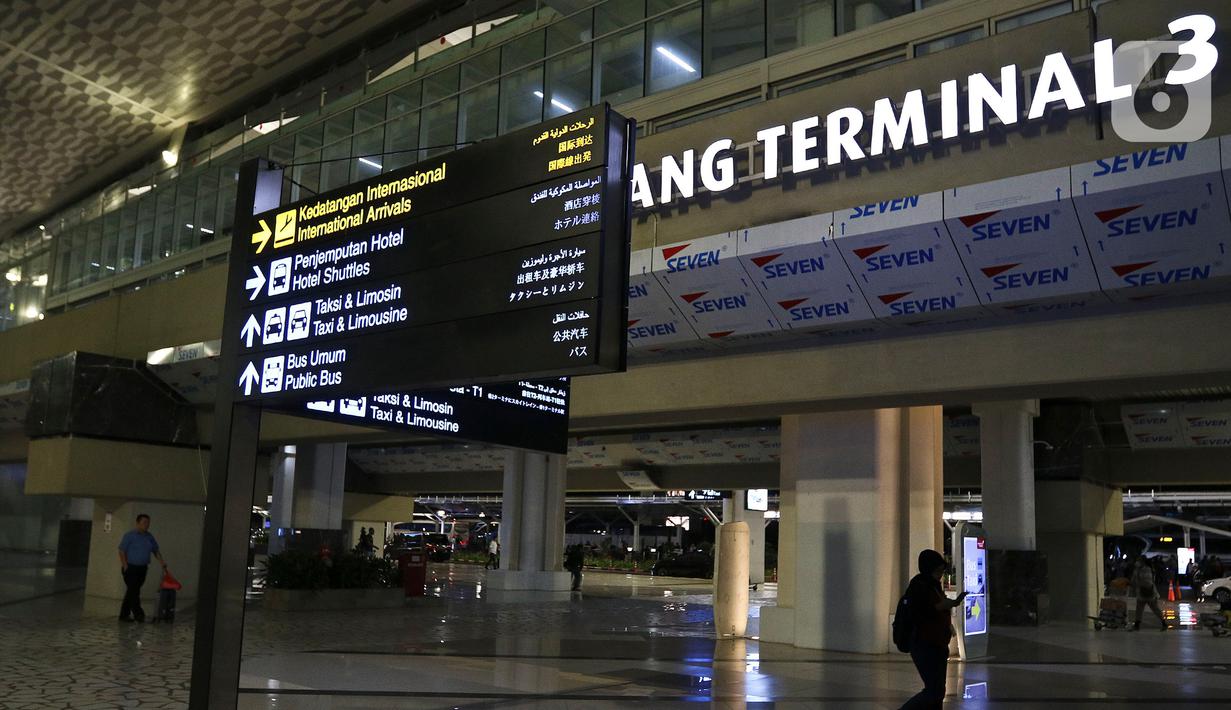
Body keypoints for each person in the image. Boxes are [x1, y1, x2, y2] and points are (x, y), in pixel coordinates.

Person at [900, 549, 965, 710]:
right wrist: (950, 604)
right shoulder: (920, 585)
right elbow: (925, 610)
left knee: (938, 690)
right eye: (938, 571)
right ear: (929, 568)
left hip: (937, 643)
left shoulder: (932, 585)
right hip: (925, 643)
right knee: (934, 691)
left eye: (942, 571)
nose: (940, 574)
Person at [117, 513, 167, 623]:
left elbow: (155, 550)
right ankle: (138, 614)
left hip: (142, 568)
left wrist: (162, 562)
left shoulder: (149, 537)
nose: (147, 525)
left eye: (148, 523)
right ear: (138, 523)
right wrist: (125, 565)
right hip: (130, 568)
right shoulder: (130, 535)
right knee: (133, 591)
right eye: (144, 522)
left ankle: (124, 615)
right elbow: (122, 551)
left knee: (133, 591)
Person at [1130, 556, 1168, 631]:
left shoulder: (1146, 569)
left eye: (1139, 560)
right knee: (1139, 609)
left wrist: (1138, 582)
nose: (1137, 562)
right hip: (1142, 593)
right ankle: (1137, 625)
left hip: (1149, 593)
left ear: (1142, 562)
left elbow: (1147, 582)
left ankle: (1164, 623)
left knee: (1154, 609)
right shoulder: (1138, 569)